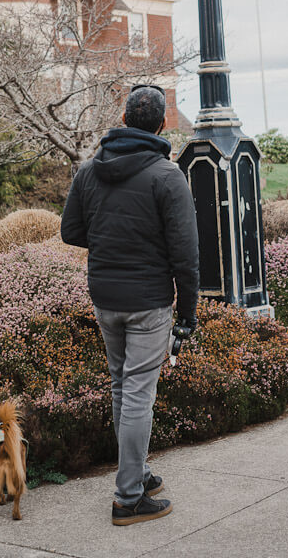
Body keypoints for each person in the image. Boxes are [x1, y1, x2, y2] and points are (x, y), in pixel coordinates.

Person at [60, 84, 199, 526]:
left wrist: (108, 239)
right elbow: (186, 254)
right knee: (138, 392)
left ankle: (136, 473)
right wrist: (188, 313)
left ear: (123, 118)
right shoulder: (166, 174)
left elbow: (71, 231)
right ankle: (128, 497)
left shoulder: (88, 170)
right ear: (161, 124)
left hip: (105, 297)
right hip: (148, 302)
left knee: (123, 387)